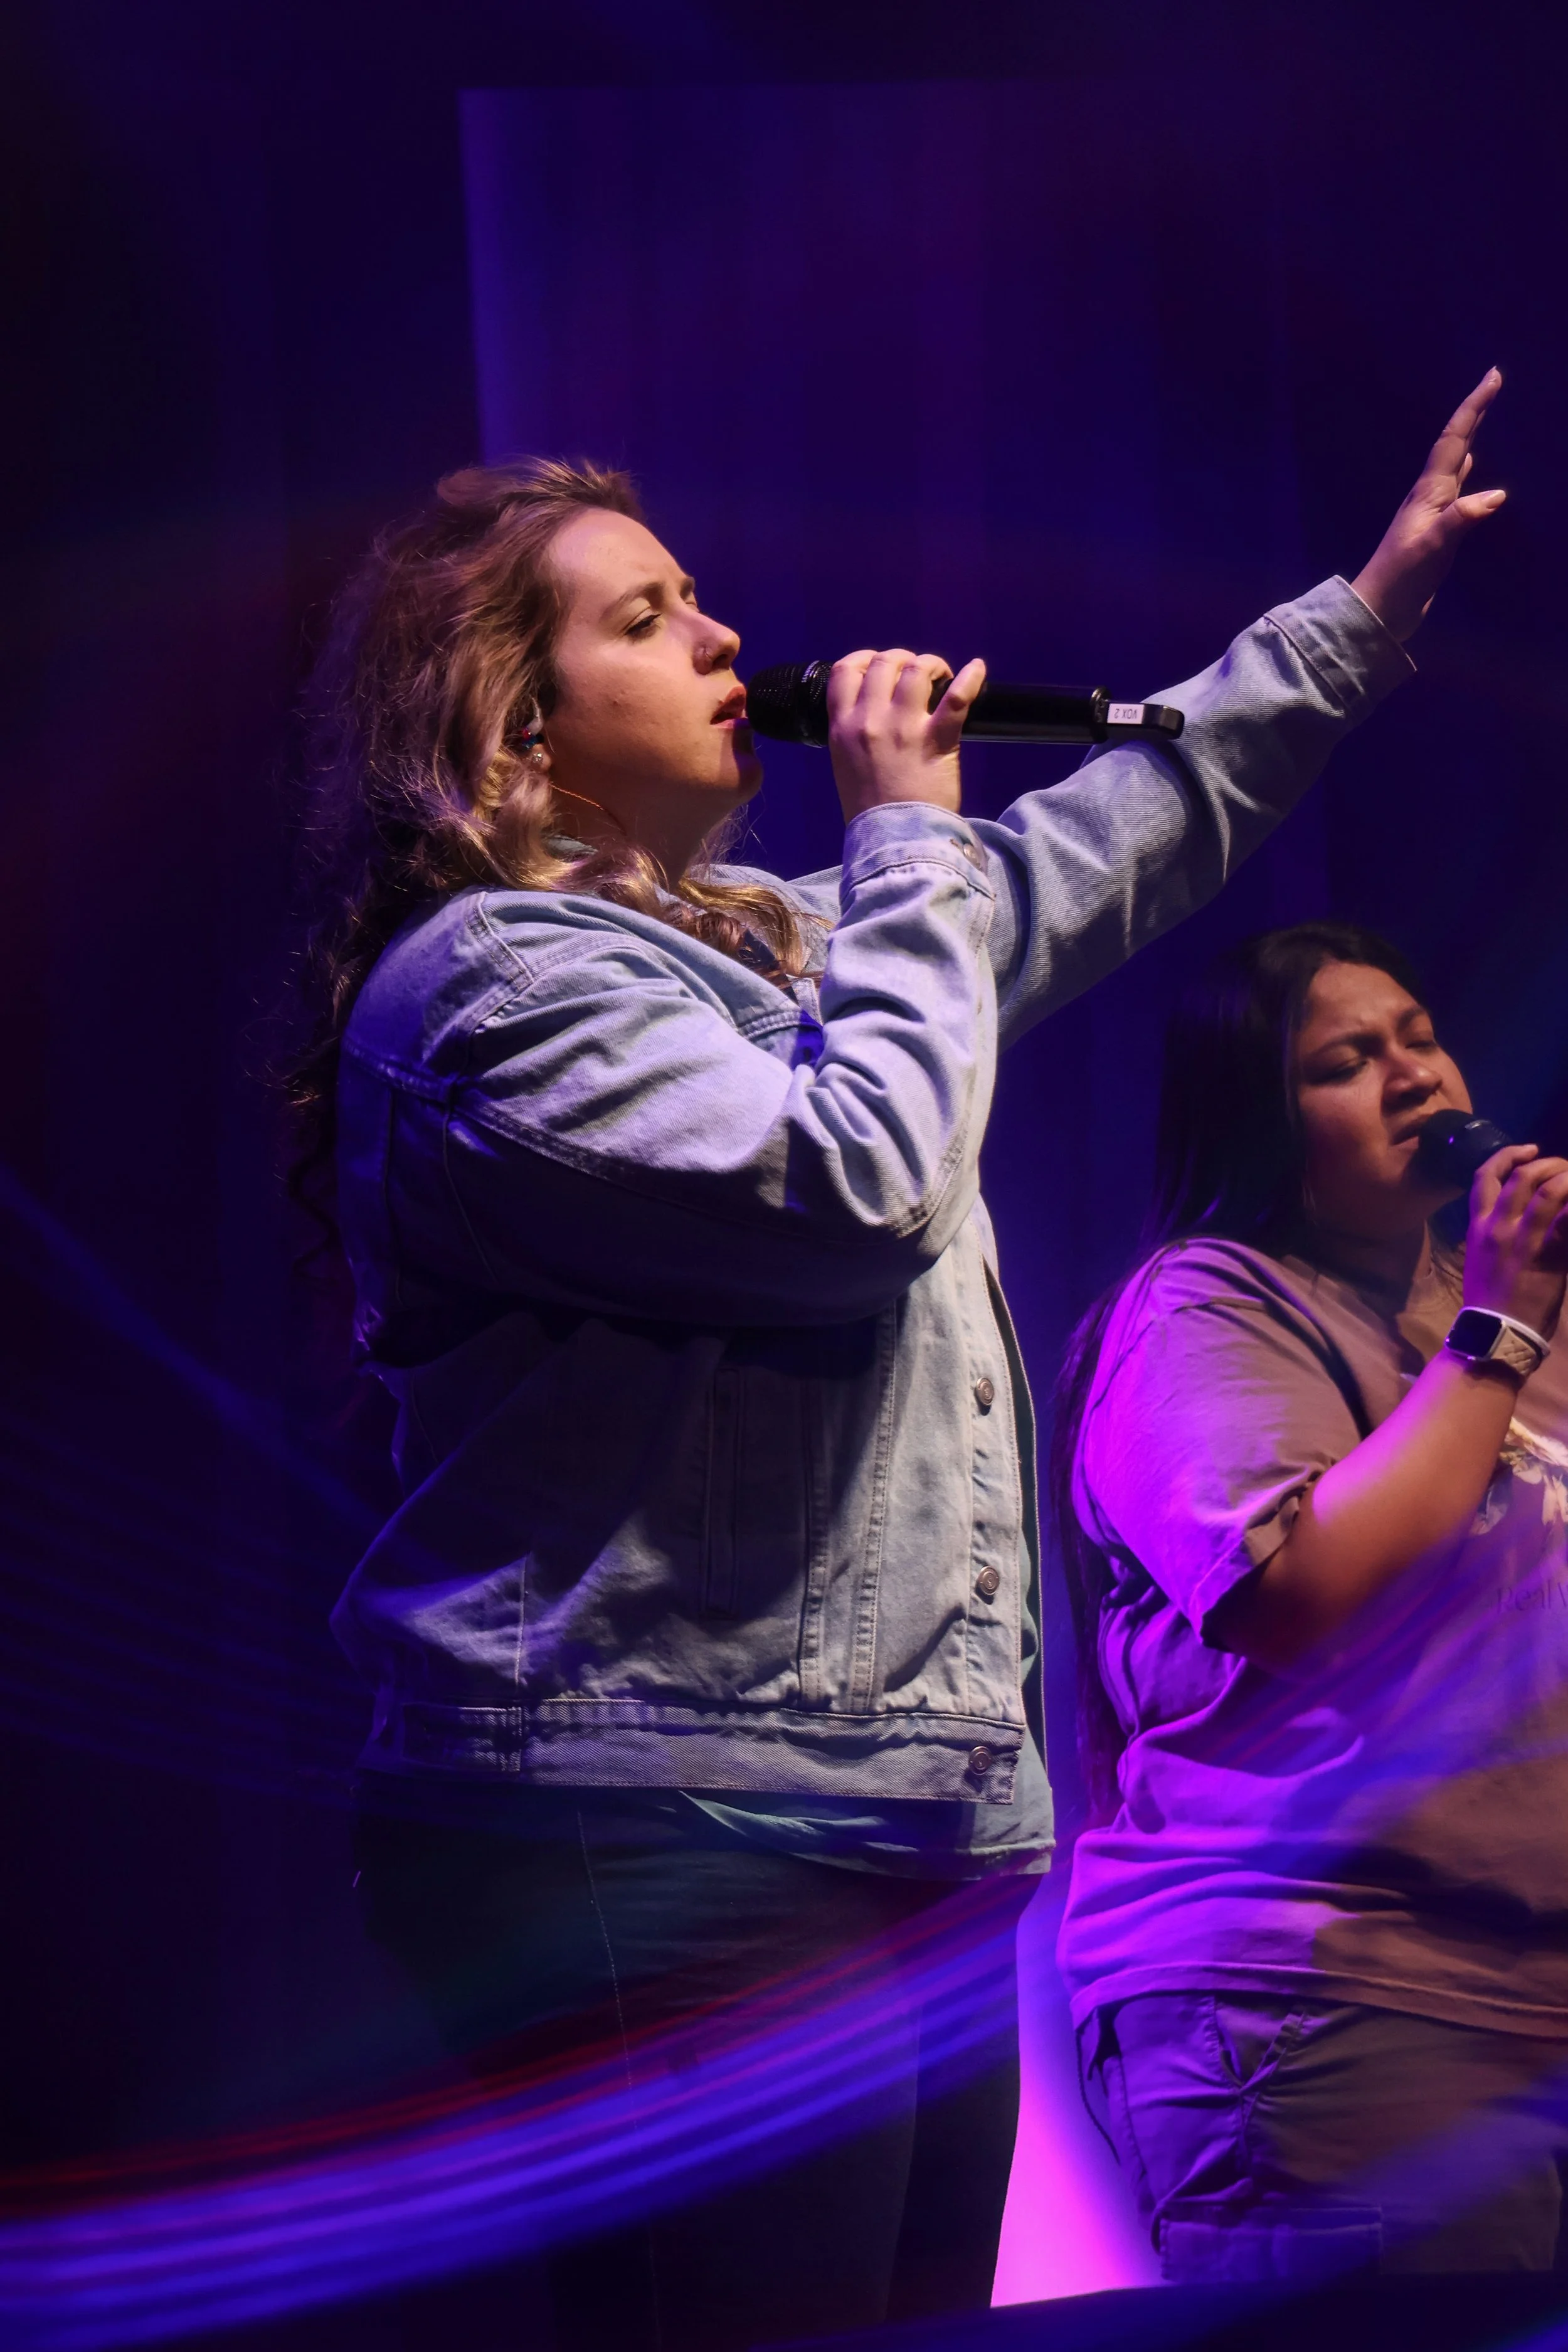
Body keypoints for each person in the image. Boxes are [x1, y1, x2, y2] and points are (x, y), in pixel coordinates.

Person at [285, 375, 1503, 2348]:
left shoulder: (781, 940)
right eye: (646, 614)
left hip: (893, 1816)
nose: (723, 639)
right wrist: (917, 843)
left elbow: (1123, 825)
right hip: (659, 1825)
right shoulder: (491, 989)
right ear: (515, 725)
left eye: (701, 597)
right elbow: (855, 1182)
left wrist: (1357, 614)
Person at [1054, 920, 1568, 2282]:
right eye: (1348, 1060)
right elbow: (1297, 1596)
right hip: (1312, 1989)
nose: (1412, 1076)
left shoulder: (1523, 1332)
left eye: (1417, 1037)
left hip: (1526, 1991)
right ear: (1257, 1122)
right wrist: (1498, 1335)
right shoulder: (1204, 1309)